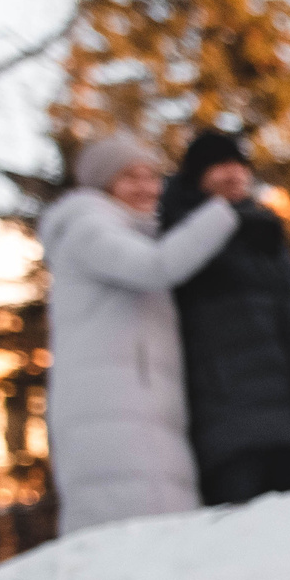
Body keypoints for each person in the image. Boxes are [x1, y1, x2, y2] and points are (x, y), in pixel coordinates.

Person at [37, 133, 242, 532]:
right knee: (124, 530)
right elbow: (158, 267)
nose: (147, 187)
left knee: (158, 534)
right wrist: (221, 209)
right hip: (107, 406)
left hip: (139, 403)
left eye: (152, 176)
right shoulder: (89, 228)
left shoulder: (127, 231)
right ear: (102, 184)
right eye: (130, 176)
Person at [162, 129, 290, 506]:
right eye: (219, 165)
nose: (232, 174)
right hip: (231, 432)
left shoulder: (268, 236)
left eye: (238, 165)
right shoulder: (179, 238)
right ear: (197, 176)